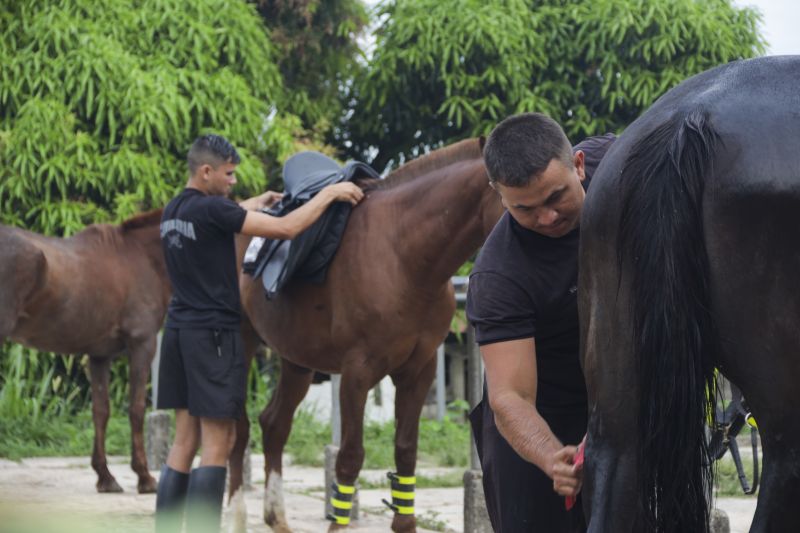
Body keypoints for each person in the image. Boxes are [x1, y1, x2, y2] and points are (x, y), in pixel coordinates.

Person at [154, 134, 363, 533]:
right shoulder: (215, 211)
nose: (234, 182)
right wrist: (330, 194)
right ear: (206, 171)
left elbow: (225, 215)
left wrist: (254, 204)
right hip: (213, 335)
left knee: (184, 443)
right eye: (229, 175)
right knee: (219, 441)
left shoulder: (175, 210)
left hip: (179, 331)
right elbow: (286, 229)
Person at [466, 113, 615, 532]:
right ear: (500, 197)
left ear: (580, 165)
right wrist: (552, 456)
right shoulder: (499, 276)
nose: (547, 218)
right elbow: (510, 396)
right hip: (540, 425)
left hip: (616, 403)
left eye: (555, 198)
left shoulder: (620, 163)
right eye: (524, 209)